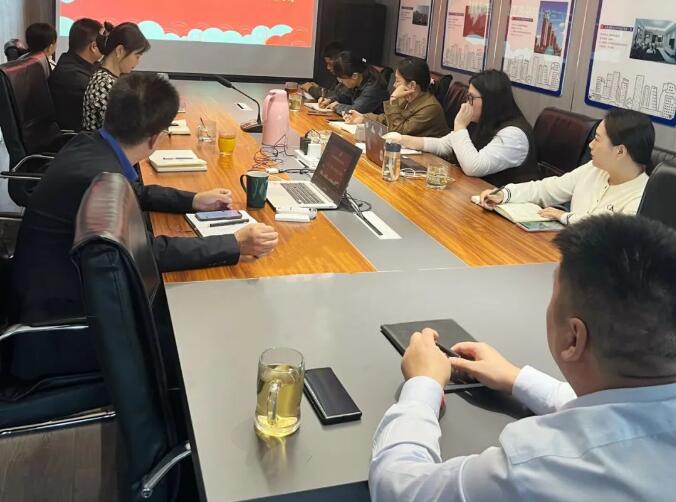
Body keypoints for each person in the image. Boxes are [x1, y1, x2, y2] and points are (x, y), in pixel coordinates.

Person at [370, 214, 676, 501]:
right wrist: (516, 378)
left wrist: (423, 385)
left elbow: (398, 487)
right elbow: (622, 412)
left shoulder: (539, 467)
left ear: (573, 339)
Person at [11, 73, 278, 377]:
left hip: (55, 288)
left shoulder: (91, 146)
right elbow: (142, 254)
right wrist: (233, 244)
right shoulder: (98, 180)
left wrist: (193, 200)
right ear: (155, 138)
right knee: (211, 319)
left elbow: (136, 193)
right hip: (63, 322)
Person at [479, 109, 653, 225]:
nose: (591, 145)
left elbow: (608, 234)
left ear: (620, 151)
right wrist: (504, 194)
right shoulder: (594, 169)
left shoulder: (643, 198)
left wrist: (564, 217)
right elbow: (546, 189)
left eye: (597, 139)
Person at [383, 69, 537, 186]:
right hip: (475, 193)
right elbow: (443, 144)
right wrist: (401, 139)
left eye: (471, 98)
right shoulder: (482, 121)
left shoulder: (514, 135)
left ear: (491, 101)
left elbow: (473, 167)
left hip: (503, 208)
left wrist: (460, 126)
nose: (466, 103)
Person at [343, 58, 448, 137]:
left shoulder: (430, 108)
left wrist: (393, 101)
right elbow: (386, 119)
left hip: (429, 158)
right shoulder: (406, 97)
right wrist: (363, 118)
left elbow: (397, 133)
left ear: (412, 85)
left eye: (397, 81)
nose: (394, 85)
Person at [82, 22, 149, 131]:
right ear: (120, 50)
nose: (137, 62)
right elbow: (123, 131)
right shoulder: (105, 84)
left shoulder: (104, 78)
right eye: (137, 56)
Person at [49, 18, 103, 131]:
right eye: (104, 42)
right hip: (78, 136)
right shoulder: (73, 77)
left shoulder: (72, 61)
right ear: (93, 46)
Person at [318, 51, 389, 115]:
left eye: (342, 78)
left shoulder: (374, 88)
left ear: (355, 76)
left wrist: (336, 106)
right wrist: (330, 100)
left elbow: (356, 111)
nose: (340, 81)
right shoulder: (358, 82)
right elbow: (345, 97)